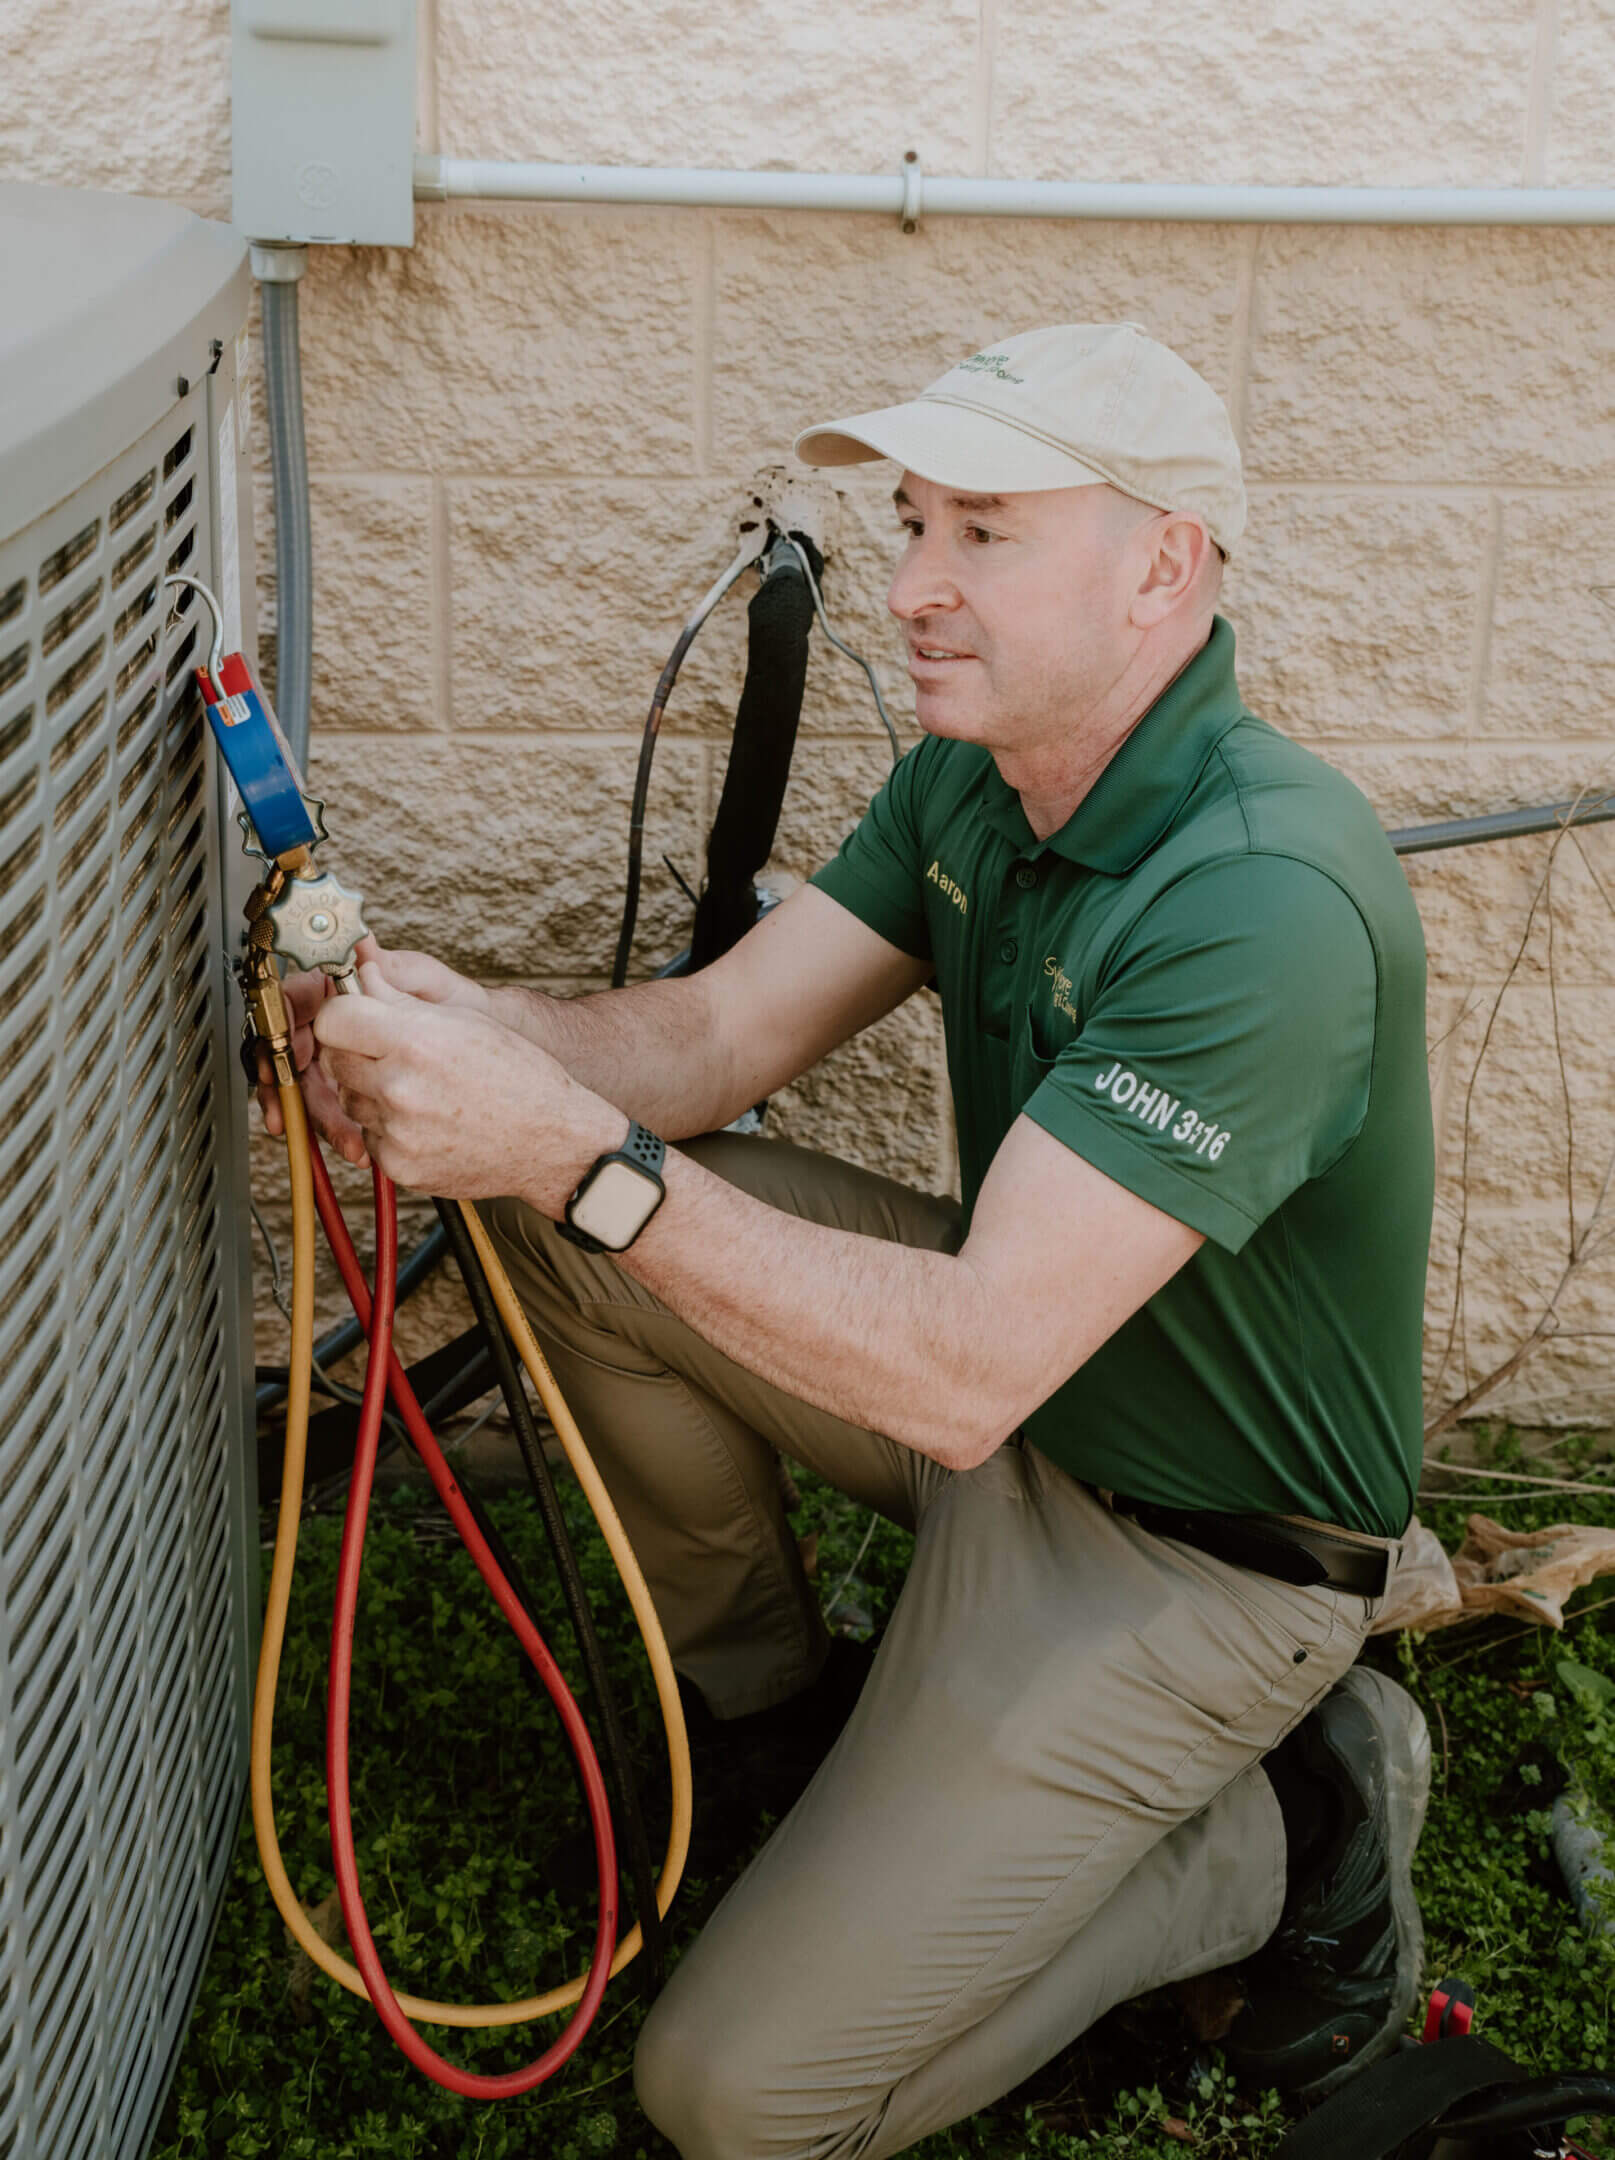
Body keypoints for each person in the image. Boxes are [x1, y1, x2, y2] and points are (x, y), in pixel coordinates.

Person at [270, 321, 1437, 2158]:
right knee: (562, 1222)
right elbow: (717, 1040)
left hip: (1196, 1564)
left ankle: (1281, 1837)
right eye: (911, 528)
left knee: (739, 2101)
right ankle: (764, 1716)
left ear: (1162, 565)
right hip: (1014, 1401)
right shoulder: (988, 771)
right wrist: (479, 1035)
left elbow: (963, 1370)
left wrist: (568, 1144)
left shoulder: (1264, 900)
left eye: (983, 533)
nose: (909, 590)